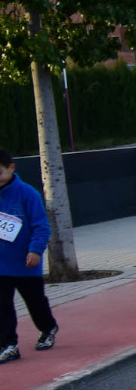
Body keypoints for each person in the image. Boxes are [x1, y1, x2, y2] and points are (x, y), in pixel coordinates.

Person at [0, 148, 57, 363]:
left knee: (35, 302)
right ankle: (9, 345)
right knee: (2, 305)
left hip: (26, 262)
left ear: (11, 168)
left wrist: (35, 250)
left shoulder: (27, 194)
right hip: (1, 265)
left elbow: (41, 226)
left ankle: (48, 327)